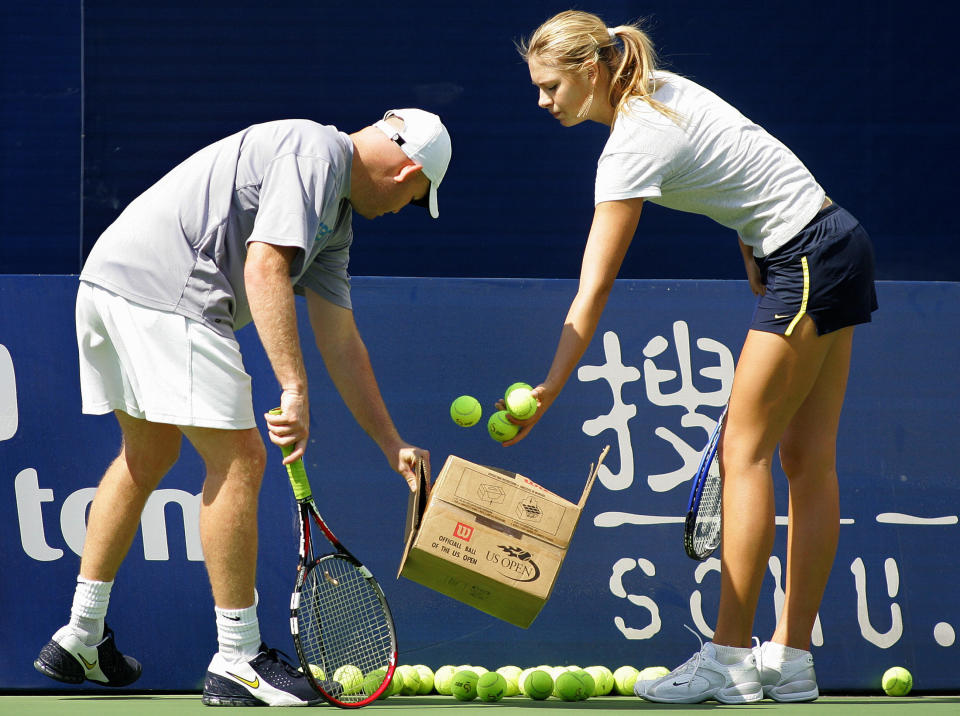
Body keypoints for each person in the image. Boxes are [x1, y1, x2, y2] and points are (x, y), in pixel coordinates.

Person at [512, 10, 876, 704]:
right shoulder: (663, 87)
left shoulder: (629, 148)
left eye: (549, 85)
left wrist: (552, 385)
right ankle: (792, 659)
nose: (541, 100)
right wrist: (753, 245)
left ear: (591, 72)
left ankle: (731, 658)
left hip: (806, 258)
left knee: (745, 455)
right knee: (807, 460)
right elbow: (745, 158)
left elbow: (594, 289)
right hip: (838, 240)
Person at [33, 109, 451, 706]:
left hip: (108, 283)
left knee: (147, 452)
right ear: (407, 170)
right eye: (415, 198)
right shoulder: (315, 155)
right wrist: (293, 390)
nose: (402, 209)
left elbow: (340, 339)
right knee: (241, 459)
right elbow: (265, 266)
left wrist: (390, 442)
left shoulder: (334, 218)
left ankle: (80, 633)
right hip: (170, 292)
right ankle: (238, 657)